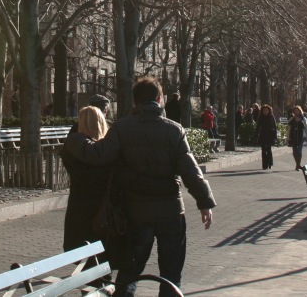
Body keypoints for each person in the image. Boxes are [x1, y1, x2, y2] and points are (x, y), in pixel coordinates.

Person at [64, 76, 215, 297]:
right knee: (172, 275)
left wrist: (75, 139)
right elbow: (190, 170)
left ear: (135, 102)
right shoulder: (174, 130)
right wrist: (205, 202)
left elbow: (99, 155)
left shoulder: (121, 128)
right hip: (171, 211)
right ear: (159, 99)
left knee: (129, 274)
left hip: (136, 213)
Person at [61, 106, 123, 270]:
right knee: (103, 258)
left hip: (79, 208)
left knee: (85, 258)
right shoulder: (109, 151)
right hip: (103, 211)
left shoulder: (73, 149)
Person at [255, 104, 278, 170]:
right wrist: (256, 135)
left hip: (270, 135)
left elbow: (274, 127)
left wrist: (275, 136)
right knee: (263, 150)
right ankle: (264, 165)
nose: (265, 111)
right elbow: (258, 127)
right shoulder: (260, 117)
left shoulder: (271, 117)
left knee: (269, 149)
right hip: (263, 135)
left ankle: (270, 163)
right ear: (262, 111)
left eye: (267, 110)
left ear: (269, 111)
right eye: (264, 110)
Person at [287, 106, 307, 170]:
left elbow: (306, 128)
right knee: (294, 152)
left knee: (299, 151)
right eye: (295, 111)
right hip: (293, 137)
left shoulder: (303, 119)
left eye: (297, 111)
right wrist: (288, 138)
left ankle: (298, 165)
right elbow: (289, 128)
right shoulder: (292, 119)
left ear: (300, 111)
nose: (296, 112)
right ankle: (298, 164)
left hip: (301, 137)